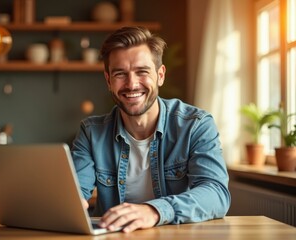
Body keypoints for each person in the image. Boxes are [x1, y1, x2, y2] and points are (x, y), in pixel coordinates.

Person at [71, 26, 231, 233]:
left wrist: (154, 211)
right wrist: (71, 203)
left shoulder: (196, 125)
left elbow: (216, 193)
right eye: (120, 74)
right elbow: (75, 196)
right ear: (108, 80)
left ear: (160, 75)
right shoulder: (91, 132)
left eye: (142, 72)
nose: (132, 84)